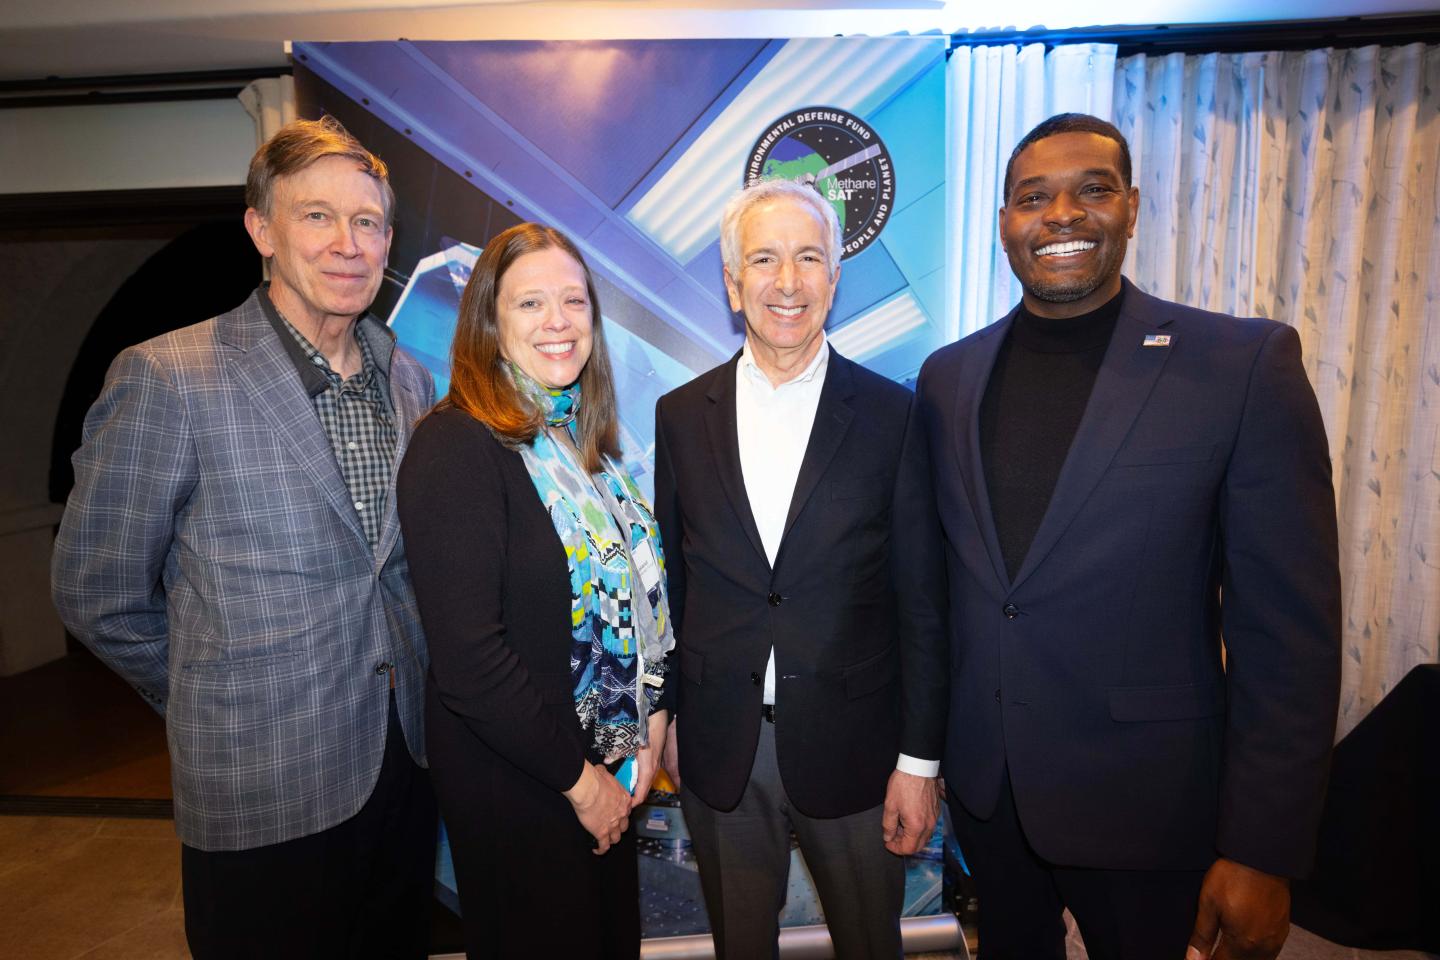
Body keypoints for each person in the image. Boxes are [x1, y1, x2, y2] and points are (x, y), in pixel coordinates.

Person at [916, 112, 1342, 960]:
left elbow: (1287, 633)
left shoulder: (1239, 365)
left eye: (1092, 190)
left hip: (1153, 807)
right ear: (1004, 222)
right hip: (992, 800)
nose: (1062, 215)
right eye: (1033, 197)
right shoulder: (947, 377)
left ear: (1133, 207)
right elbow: (945, 593)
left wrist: (1261, 846)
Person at [51, 116, 438, 959]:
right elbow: (96, 593)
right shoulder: (168, 376)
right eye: (316, 217)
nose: (348, 244)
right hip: (258, 782)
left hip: (404, 767)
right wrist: (208, 690)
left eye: (368, 222)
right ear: (262, 229)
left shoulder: (408, 378)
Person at [651, 178, 949, 959]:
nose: (788, 282)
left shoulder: (897, 414)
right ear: (731, 281)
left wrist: (919, 762)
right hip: (721, 751)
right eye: (765, 259)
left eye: (809, 257)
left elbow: (922, 600)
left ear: (835, 276)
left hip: (858, 753)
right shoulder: (681, 415)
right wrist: (676, 717)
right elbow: (677, 589)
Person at [396, 222, 673, 959]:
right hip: (523, 787)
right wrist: (582, 784)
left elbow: (644, 607)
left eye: (574, 302)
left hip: (604, 775)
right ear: (489, 322)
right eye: (530, 304)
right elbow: (470, 661)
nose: (558, 322)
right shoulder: (455, 446)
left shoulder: (585, 448)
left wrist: (650, 720)